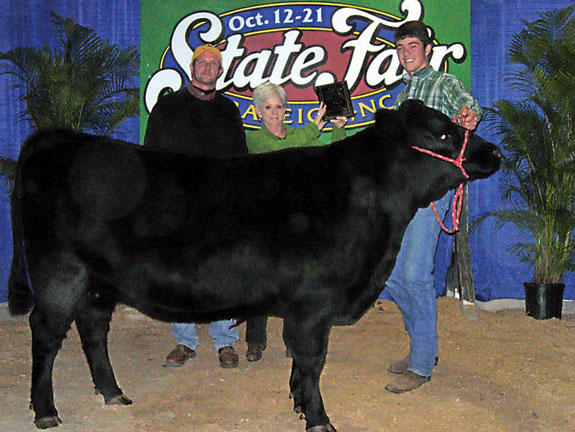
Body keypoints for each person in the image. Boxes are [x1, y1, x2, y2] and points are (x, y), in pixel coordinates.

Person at [383, 21, 482, 393]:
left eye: (412, 45)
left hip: (429, 193)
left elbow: (468, 106)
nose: (406, 52)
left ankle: (422, 363)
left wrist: (470, 116)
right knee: (392, 273)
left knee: (416, 275)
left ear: (427, 49)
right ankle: (419, 348)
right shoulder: (401, 94)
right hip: (402, 194)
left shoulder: (442, 83)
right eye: (401, 46)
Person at [144, 44, 246, 369]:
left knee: (224, 273)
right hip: (177, 207)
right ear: (192, 68)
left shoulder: (229, 111)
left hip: (219, 208)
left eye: (213, 63)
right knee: (179, 275)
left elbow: (241, 164)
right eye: (201, 62)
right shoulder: (167, 108)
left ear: (220, 72)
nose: (206, 67)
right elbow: (150, 159)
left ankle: (225, 342)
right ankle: (184, 340)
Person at [243, 81, 347, 362]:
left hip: (295, 223)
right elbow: (279, 150)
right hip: (264, 222)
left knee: (293, 283)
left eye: (278, 106)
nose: (274, 112)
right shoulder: (252, 139)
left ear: (285, 109)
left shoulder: (301, 135)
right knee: (259, 283)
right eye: (268, 107)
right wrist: (314, 129)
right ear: (257, 111)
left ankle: (292, 339)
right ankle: (255, 340)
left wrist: (337, 126)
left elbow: (335, 158)